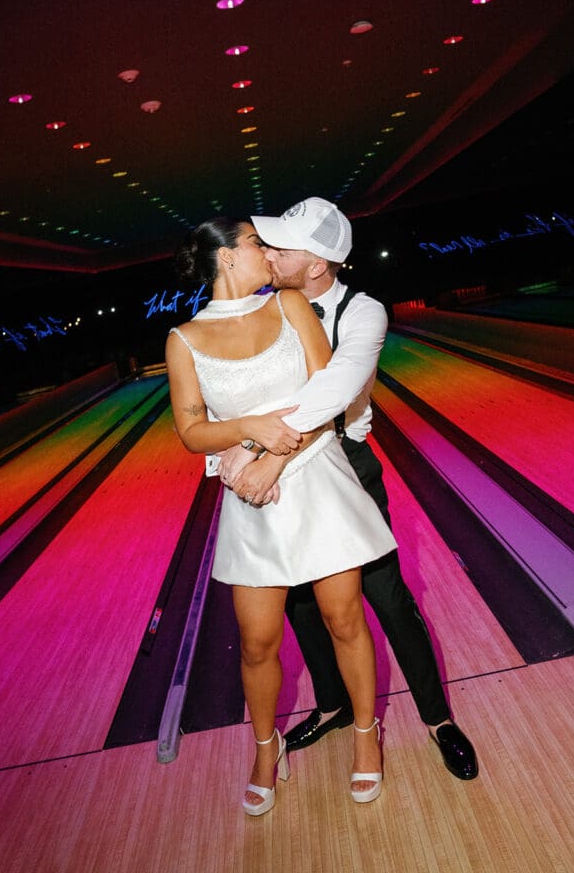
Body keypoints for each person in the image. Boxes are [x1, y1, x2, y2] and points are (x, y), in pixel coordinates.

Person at [217, 197, 478, 781]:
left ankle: (438, 719)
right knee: (302, 605)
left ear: (316, 265)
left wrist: (261, 450)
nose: (269, 253)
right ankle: (333, 704)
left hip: (343, 465)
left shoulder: (363, 313)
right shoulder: (263, 308)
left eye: (282, 247)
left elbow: (334, 388)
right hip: (286, 471)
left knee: (387, 598)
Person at [165, 216, 398, 816]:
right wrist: (248, 429)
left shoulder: (290, 305)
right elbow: (191, 431)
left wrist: (269, 456)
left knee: (344, 619)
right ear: (225, 257)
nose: (268, 251)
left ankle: (366, 734)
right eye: (255, 243)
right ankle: (267, 748)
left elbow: (329, 400)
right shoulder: (183, 339)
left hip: (316, 478)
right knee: (257, 642)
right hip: (251, 500)